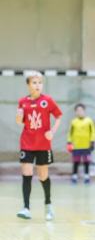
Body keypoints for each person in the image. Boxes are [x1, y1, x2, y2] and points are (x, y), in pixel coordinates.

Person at [15, 71, 62, 221]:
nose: (38, 85)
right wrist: (18, 118)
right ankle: (26, 208)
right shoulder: (22, 101)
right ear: (28, 85)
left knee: (43, 175)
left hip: (43, 144)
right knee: (27, 173)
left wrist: (52, 131)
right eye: (34, 82)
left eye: (40, 82)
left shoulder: (47, 100)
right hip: (27, 142)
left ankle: (48, 203)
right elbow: (22, 121)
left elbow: (58, 116)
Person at [67, 104, 95, 184]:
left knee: (86, 162)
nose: (79, 112)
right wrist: (69, 142)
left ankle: (87, 178)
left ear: (84, 111)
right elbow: (70, 133)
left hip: (86, 146)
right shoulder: (73, 122)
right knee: (76, 163)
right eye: (77, 110)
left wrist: (92, 143)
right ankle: (74, 178)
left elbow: (93, 132)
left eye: (81, 110)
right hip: (76, 146)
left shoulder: (89, 121)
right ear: (75, 112)